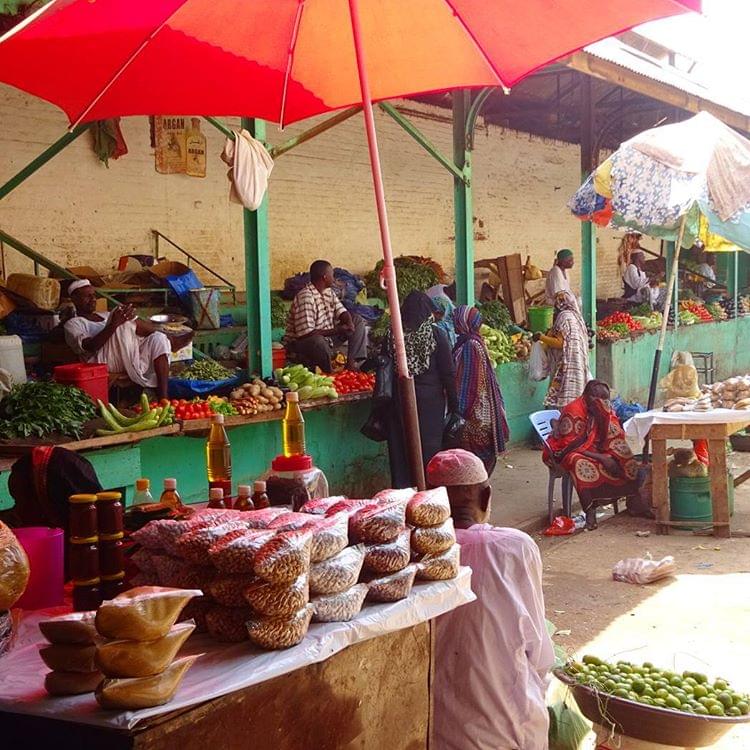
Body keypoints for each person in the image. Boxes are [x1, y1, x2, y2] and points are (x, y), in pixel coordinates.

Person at [429, 448, 554, 750]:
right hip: (507, 723)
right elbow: (538, 650)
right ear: (486, 498)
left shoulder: (419, 550)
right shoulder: (515, 546)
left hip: (436, 724)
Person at [63, 279, 184, 400]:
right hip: (100, 362)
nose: (93, 299)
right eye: (87, 296)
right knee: (120, 315)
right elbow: (90, 347)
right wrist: (114, 324)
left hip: (126, 355)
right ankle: (172, 341)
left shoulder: (104, 315)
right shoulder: (73, 324)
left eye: (94, 295)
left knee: (159, 339)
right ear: (75, 299)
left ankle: (164, 398)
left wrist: (119, 321)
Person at [384, 291, 458, 488]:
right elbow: (448, 374)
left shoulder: (393, 334)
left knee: (401, 452)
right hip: (429, 406)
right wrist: (455, 405)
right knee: (428, 452)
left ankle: (403, 495)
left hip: (399, 402)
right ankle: (427, 495)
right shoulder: (435, 335)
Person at [543, 380, 639, 530]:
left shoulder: (602, 409)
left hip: (593, 447)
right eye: (598, 399)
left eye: (606, 400)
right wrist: (602, 458)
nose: (603, 403)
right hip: (563, 452)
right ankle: (590, 511)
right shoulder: (574, 410)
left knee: (626, 458)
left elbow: (613, 432)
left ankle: (633, 503)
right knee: (580, 464)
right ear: (588, 397)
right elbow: (568, 445)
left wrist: (613, 454)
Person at [452, 305, 509, 476]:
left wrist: (460, 409)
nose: (453, 322)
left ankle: (475, 492)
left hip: (475, 414)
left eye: (456, 319)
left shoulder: (470, 345)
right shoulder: (473, 341)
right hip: (481, 410)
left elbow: (469, 382)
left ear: (463, 322)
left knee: (471, 461)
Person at [285, 260, 367, 373]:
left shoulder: (328, 292)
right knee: (317, 341)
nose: (334, 279)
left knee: (357, 320)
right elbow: (306, 334)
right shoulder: (306, 297)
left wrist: (349, 323)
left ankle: (352, 364)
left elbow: (342, 311)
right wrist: (338, 329)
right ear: (324, 277)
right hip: (303, 344)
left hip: (327, 338)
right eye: (332, 275)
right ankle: (329, 371)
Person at [535, 290, 589, 408]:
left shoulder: (564, 316)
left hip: (566, 365)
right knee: (575, 398)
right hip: (577, 363)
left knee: (564, 400)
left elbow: (560, 343)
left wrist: (541, 337)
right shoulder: (576, 316)